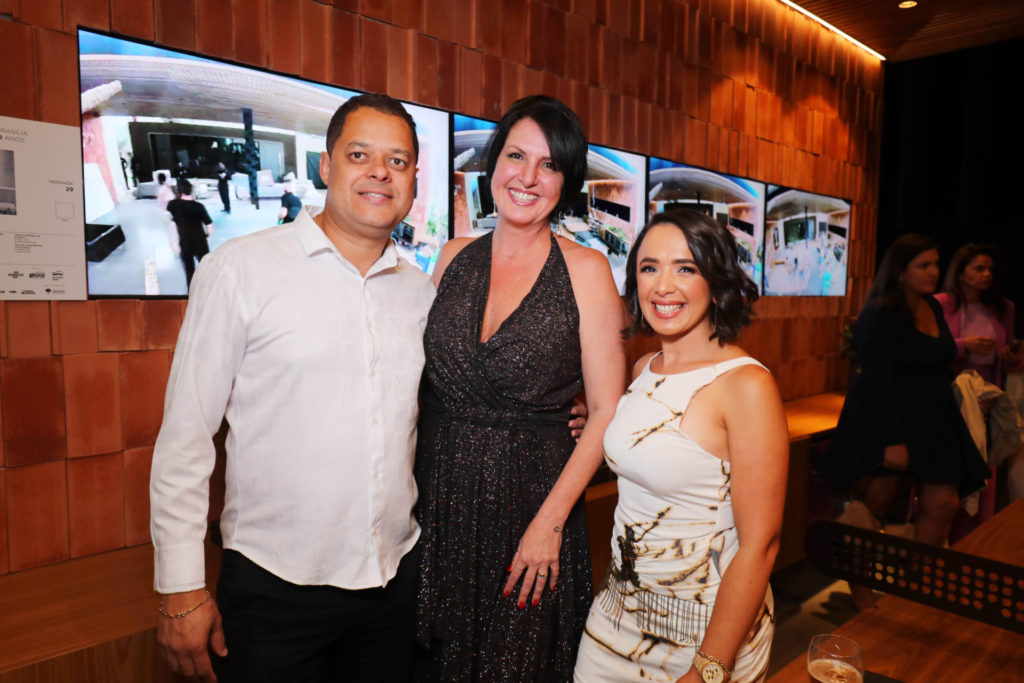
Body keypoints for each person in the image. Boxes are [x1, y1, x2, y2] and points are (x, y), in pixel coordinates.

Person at [151, 94, 433, 683]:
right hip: (273, 591)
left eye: (398, 161)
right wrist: (180, 588)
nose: (380, 173)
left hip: (393, 583)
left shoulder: (420, 293)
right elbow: (186, 437)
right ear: (326, 167)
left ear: (412, 179)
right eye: (359, 155)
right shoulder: (240, 270)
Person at [414, 95, 627, 681]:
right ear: (494, 164)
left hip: (533, 508)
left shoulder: (586, 271)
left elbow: (606, 409)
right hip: (438, 504)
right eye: (516, 156)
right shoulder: (451, 258)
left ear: (566, 181)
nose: (528, 178)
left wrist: (550, 523)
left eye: (549, 164)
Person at [573, 210, 788, 683]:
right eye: (649, 267)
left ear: (716, 280)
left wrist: (709, 667)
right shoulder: (644, 368)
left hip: (705, 632)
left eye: (685, 268)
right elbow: (655, 452)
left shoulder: (746, 386)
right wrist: (598, 422)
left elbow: (761, 545)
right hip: (615, 616)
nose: (663, 286)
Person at [825, 234, 989, 609]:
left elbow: (937, 358)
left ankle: (915, 591)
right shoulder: (880, 312)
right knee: (874, 505)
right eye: (923, 265)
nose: (933, 272)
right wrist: (892, 440)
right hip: (888, 418)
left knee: (944, 503)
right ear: (900, 270)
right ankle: (863, 596)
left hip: (934, 418)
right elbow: (877, 379)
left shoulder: (931, 305)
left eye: (935, 264)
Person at [935, 244, 1021, 386]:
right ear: (960, 273)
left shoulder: (1003, 307)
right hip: (949, 383)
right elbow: (929, 348)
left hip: (988, 386)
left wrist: (1012, 359)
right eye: (979, 269)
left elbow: (1005, 360)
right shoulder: (940, 303)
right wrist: (964, 345)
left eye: (991, 270)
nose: (987, 274)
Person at [166, 179, 214, 290]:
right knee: (205, 268)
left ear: (179, 190)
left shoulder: (172, 205)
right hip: (200, 241)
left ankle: (192, 293)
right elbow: (210, 226)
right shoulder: (199, 206)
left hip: (185, 242)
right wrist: (207, 236)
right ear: (191, 190)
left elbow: (170, 223)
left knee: (189, 270)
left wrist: (174, 243)